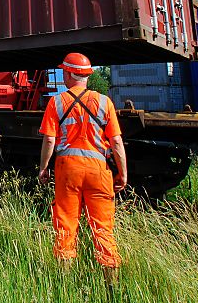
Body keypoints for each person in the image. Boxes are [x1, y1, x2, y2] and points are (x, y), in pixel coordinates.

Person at [38, 52, 127, 285]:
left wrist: (43, 168)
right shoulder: (105, 102)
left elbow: (49, 140)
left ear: (68, 73)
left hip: (68, 170)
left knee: (65, 225)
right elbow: (116, 142)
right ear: (87, 75)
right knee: (102, 227)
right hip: (99, 170)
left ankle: (65, 284)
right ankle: (112, 286)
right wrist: (123, 174)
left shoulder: (56, 102)